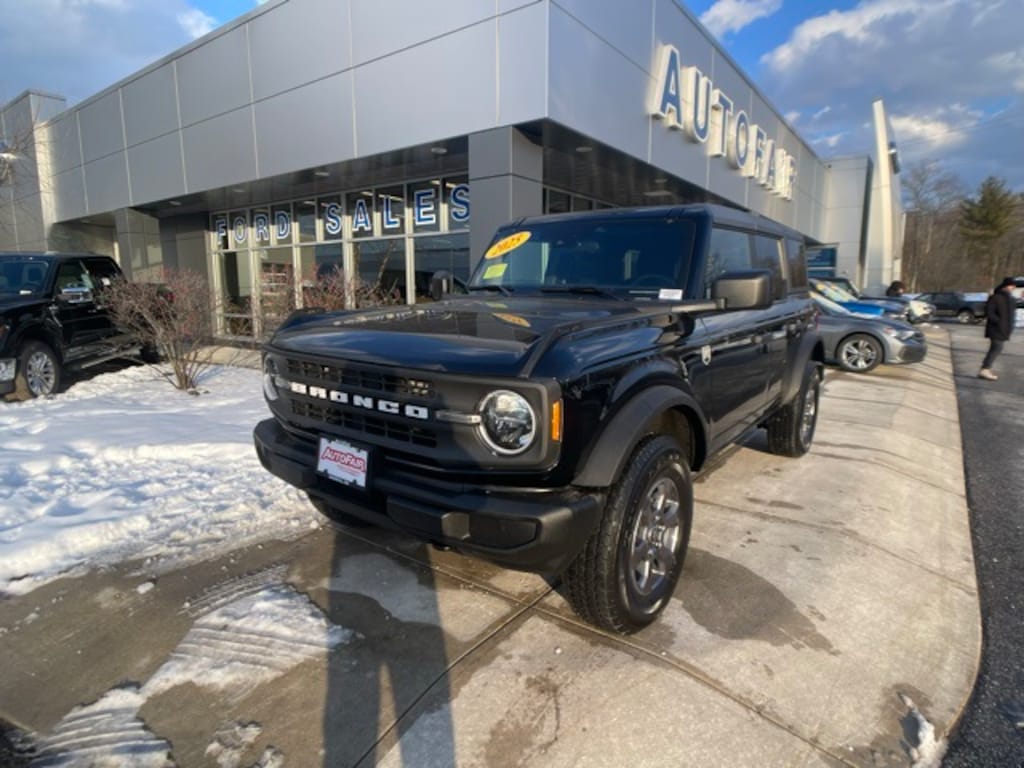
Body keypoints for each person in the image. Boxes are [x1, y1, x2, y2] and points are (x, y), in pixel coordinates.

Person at [978, 276, 1017, 380]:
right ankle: (985, 369)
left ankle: (985, 368)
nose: (1013, 288)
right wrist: (999, 322)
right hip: (996, 329)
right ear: (1005, 286)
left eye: (1013, 286)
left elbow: (1011, 315)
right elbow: (989, 313)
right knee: (996, 348)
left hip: (1005, 329)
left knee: (996, 348)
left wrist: (1010, 326)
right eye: (1011, 285)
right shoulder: (996, 297)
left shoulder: (1011, 299)